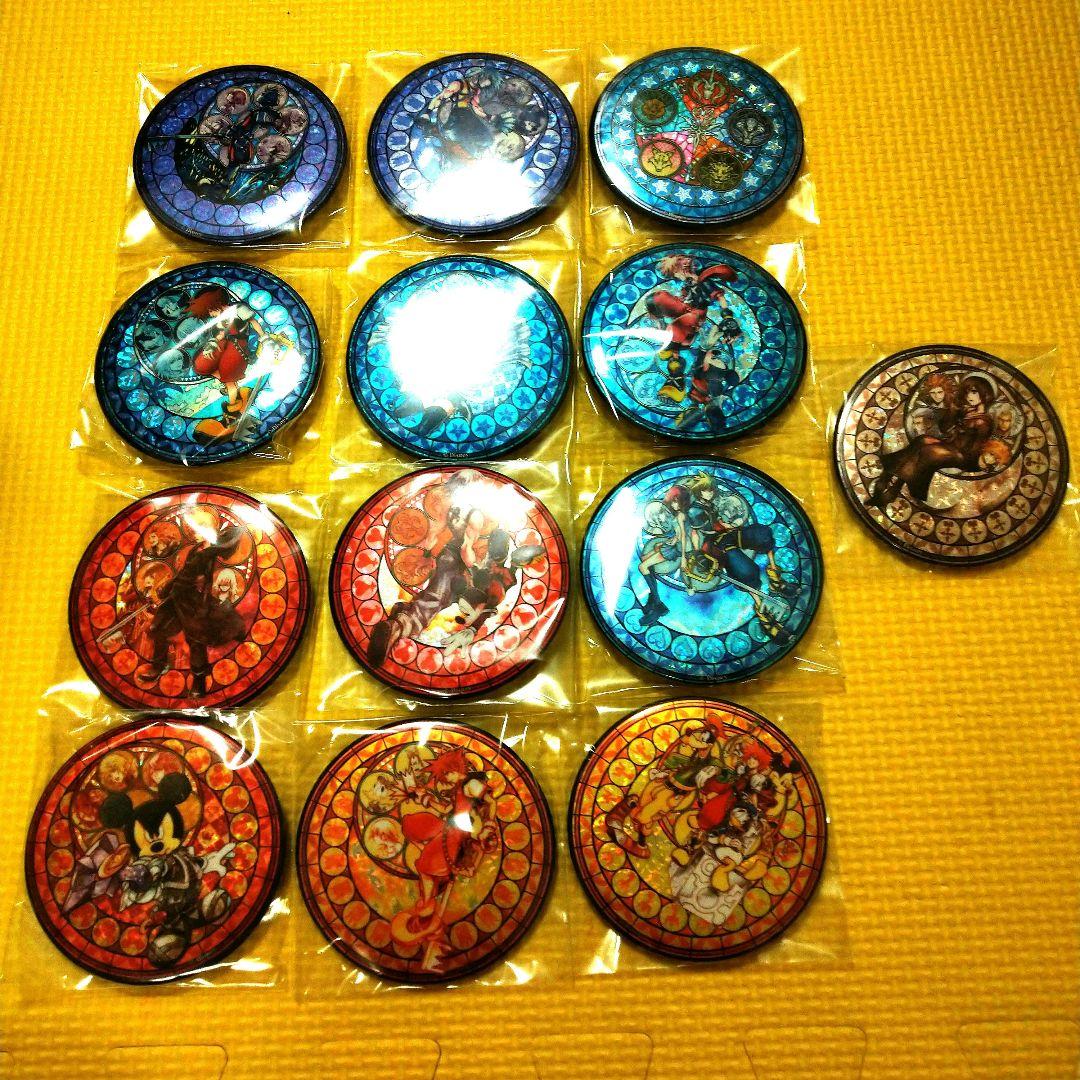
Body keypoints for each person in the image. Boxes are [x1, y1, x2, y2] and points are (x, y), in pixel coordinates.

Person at [870, 375, 995, 509]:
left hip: (965, 458)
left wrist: (956, 438)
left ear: (985, 394)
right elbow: (944, 428)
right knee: (921, 440)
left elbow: (974, 450)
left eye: (974, 392)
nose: (969, 396)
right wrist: (952, 411)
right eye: (966, 392)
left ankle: (891, 487)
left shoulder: (983, 422)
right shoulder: (968, 411)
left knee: (928, 451)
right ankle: (888, 482)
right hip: (953, 446)